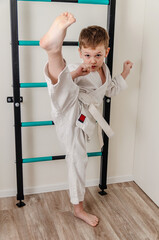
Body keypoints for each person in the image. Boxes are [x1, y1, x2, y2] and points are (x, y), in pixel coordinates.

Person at [40, 12, 133, 227]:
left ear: (106, 52)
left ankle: (53, 49)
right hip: (70, 111)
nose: (92, 61)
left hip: (83, 118)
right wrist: (76, 74)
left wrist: (124, 72)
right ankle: (53, 50)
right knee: (76, 160)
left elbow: (109, 90)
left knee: (79, 158)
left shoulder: (105, 71)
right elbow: (65, 82)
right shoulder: (78, 67)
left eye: (98, 55)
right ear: (81, 53)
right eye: (88, 55)